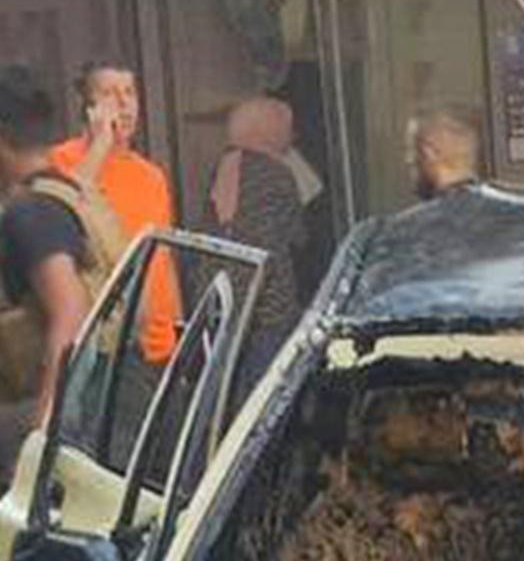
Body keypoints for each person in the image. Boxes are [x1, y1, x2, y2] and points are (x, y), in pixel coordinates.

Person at [0, 65, 129, 474]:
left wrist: (46, 432)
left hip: (66, 421)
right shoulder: (68, 192)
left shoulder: (30, 213)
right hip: (100, 408)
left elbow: (70, 309)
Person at [51, 59, 180, 367]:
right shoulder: (61, 160)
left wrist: (180, 329)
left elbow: (163, 257)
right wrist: (100, 144)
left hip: (160, 347)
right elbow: (66, 209)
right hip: (105, 346)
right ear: (88, 107)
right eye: (110, 94)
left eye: (130, 93)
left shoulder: (152, 176)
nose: (124, 104)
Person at [205, 96, 304, 389]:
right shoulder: (275, 173)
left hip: (225, 308)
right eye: (287, 128)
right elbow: (296, 236)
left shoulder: (223, 167)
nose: (292, 136)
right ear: (266, 130)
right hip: (268, 311)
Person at [410, 105, 480, 202]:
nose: (410, 159)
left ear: (429, 152)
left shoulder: (418, 217)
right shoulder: (506, 210)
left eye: (412, 149)